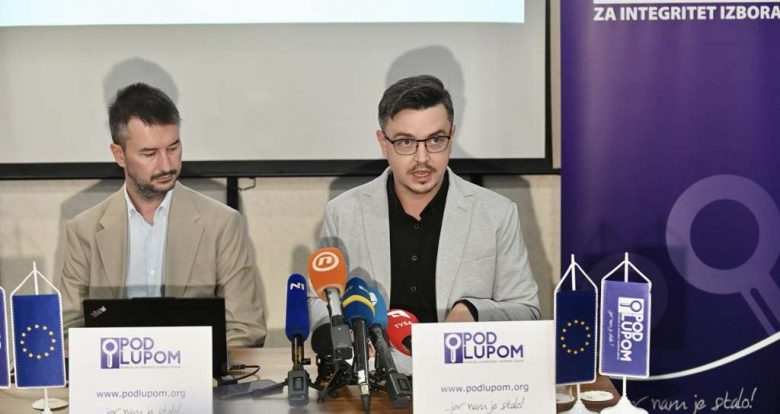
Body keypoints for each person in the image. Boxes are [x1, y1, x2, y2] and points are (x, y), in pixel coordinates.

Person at [311, 74, 540, 329]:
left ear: (452, 137)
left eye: (435, 140)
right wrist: (351, 334)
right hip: (375, 355)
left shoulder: (498, 213)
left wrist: (472, 311)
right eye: (405, 142)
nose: (422, 158)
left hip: (457, 354)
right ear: (383, 144)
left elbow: (527, 310)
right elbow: (319, 301)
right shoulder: (343, 213)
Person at [60, 83, 266, 347]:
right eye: (149, 153)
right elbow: (67, 330)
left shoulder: (222, 224)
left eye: (173, 148)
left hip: (198, 371)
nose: (167, 165)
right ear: (119, 155)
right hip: (112, 368)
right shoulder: (84, 230)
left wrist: (196, 363)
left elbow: (246, 328)